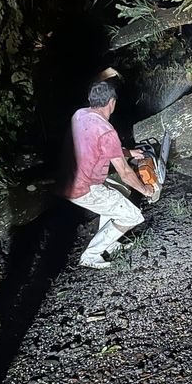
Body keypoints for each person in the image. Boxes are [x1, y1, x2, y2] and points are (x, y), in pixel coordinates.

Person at [62, 78, 154, 269]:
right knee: (132, 216)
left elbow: (97, 146)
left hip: (68, 179)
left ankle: (110, 244)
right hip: (84, 188)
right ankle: (91, 255)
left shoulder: (80, 115)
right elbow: (125, 172)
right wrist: (145, 190)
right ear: (112, 102)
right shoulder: (106, 131)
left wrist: (129, 152)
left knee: (121, 192)